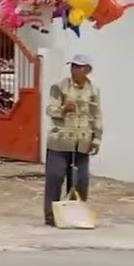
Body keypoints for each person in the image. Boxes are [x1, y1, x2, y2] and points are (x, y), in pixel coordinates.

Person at [43, 54, 102, 226]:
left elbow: (96, 115)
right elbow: (50, 109)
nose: (75, 70)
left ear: (88, 70)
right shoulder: (60, 87)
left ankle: (74, 216)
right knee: (55, 177)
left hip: (82, 141)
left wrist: (97, 138)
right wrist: (63, 109)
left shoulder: (93, 90)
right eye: (73, 66)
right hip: (60, 140)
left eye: (80, 67)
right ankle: (50, 216)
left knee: (80, 181)